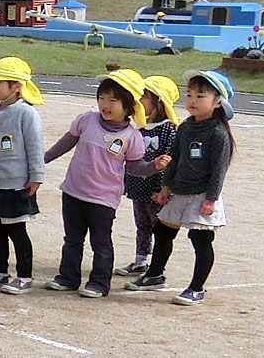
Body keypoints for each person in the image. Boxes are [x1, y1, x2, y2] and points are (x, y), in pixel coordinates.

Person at [43, 69, 171, 298]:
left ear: (129, 105)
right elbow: (66, 143)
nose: (106, 104)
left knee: (101, 243)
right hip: (73, 191)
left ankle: (100, 283)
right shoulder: (87, 120)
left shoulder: (132, 137)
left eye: (113, 100)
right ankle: (68, 278)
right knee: (72, 240)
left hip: (103, 199)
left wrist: (155, 166)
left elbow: (135, 168)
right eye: (102, 98)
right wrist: (42, 160)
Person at [127, 70, 236, 306]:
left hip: (203, 194)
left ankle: (197, 288)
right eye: (190, 95)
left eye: (200, 96)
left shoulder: (218, 134)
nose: (193, 101)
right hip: (179, 190)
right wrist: (166, 186)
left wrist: (211, 199)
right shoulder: (185, 127)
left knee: (201, 239)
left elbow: (219, 170)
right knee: (163, 232)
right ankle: (154, 275)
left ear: (218, 102)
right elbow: (174, 159)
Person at [0, 57, 47, 295]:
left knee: (17, 230)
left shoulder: (26, 113)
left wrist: (36, 176)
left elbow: (35, 147)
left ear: (16, 86)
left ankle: (25, 277)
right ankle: (0, 272)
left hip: (17, 182)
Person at [123, 75, 181, 277]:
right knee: (142, 225)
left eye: (144, 98)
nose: (138, 102)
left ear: (158, 101)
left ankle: (157, 266)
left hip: (157, 190)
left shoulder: (169, 130)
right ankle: (140, 260)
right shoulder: (137, 127)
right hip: (138, 187)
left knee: (159, 229)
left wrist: (163, 188)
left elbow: (169, 161)